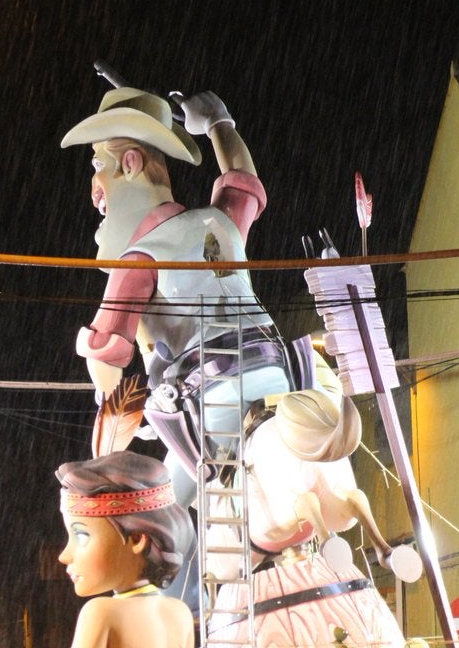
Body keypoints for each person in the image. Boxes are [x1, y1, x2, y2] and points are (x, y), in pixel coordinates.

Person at [61, 87, 296, 601]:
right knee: (182, 501)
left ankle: (171, 608)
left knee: (162, 512)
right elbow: (245, 185)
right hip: (276, 376)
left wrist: (108, 421)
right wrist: (219, 122)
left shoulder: (141, 257)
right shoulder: (219, 223)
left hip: (207, 399)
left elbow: (107, 351)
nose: (94, 190)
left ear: (129, 163)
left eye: (97, 168)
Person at [56, 451, 195, 648]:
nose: (64, 556)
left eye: (81, 536)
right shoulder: (179, 613)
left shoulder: (100, 612)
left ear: (137, 539)